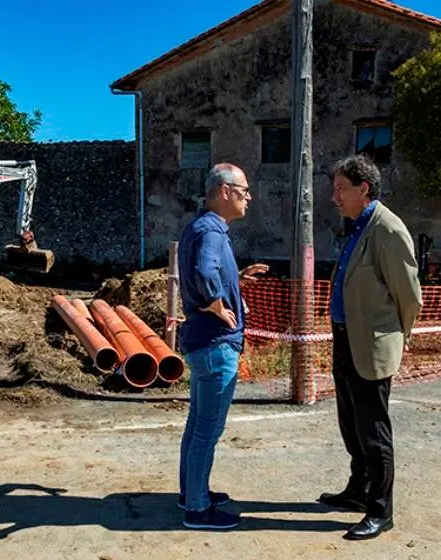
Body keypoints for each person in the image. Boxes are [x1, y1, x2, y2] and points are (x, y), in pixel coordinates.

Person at [320, 154, 423, 540]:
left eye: (340, 189)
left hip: (373, 345)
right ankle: (358, 490)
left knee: (374, 430)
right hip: (347, 339)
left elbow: (409, 295)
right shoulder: (357, 226)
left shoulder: (387, 229)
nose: (335, 197)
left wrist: (401, 337)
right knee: (351, 423)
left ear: (363, 189)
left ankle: (381, 510)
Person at [177, 163, 266, 530]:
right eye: (244, 191)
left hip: (203, 343)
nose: (249, 197)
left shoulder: (201, 227)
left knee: (197, 424)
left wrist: (236, 279)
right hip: (216, 344)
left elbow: (208, 269)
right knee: (207, 430)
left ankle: (191, 492)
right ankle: (197, 509)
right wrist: (215, 302)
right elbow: (203, 271)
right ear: (225, 191)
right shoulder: (212, 230)